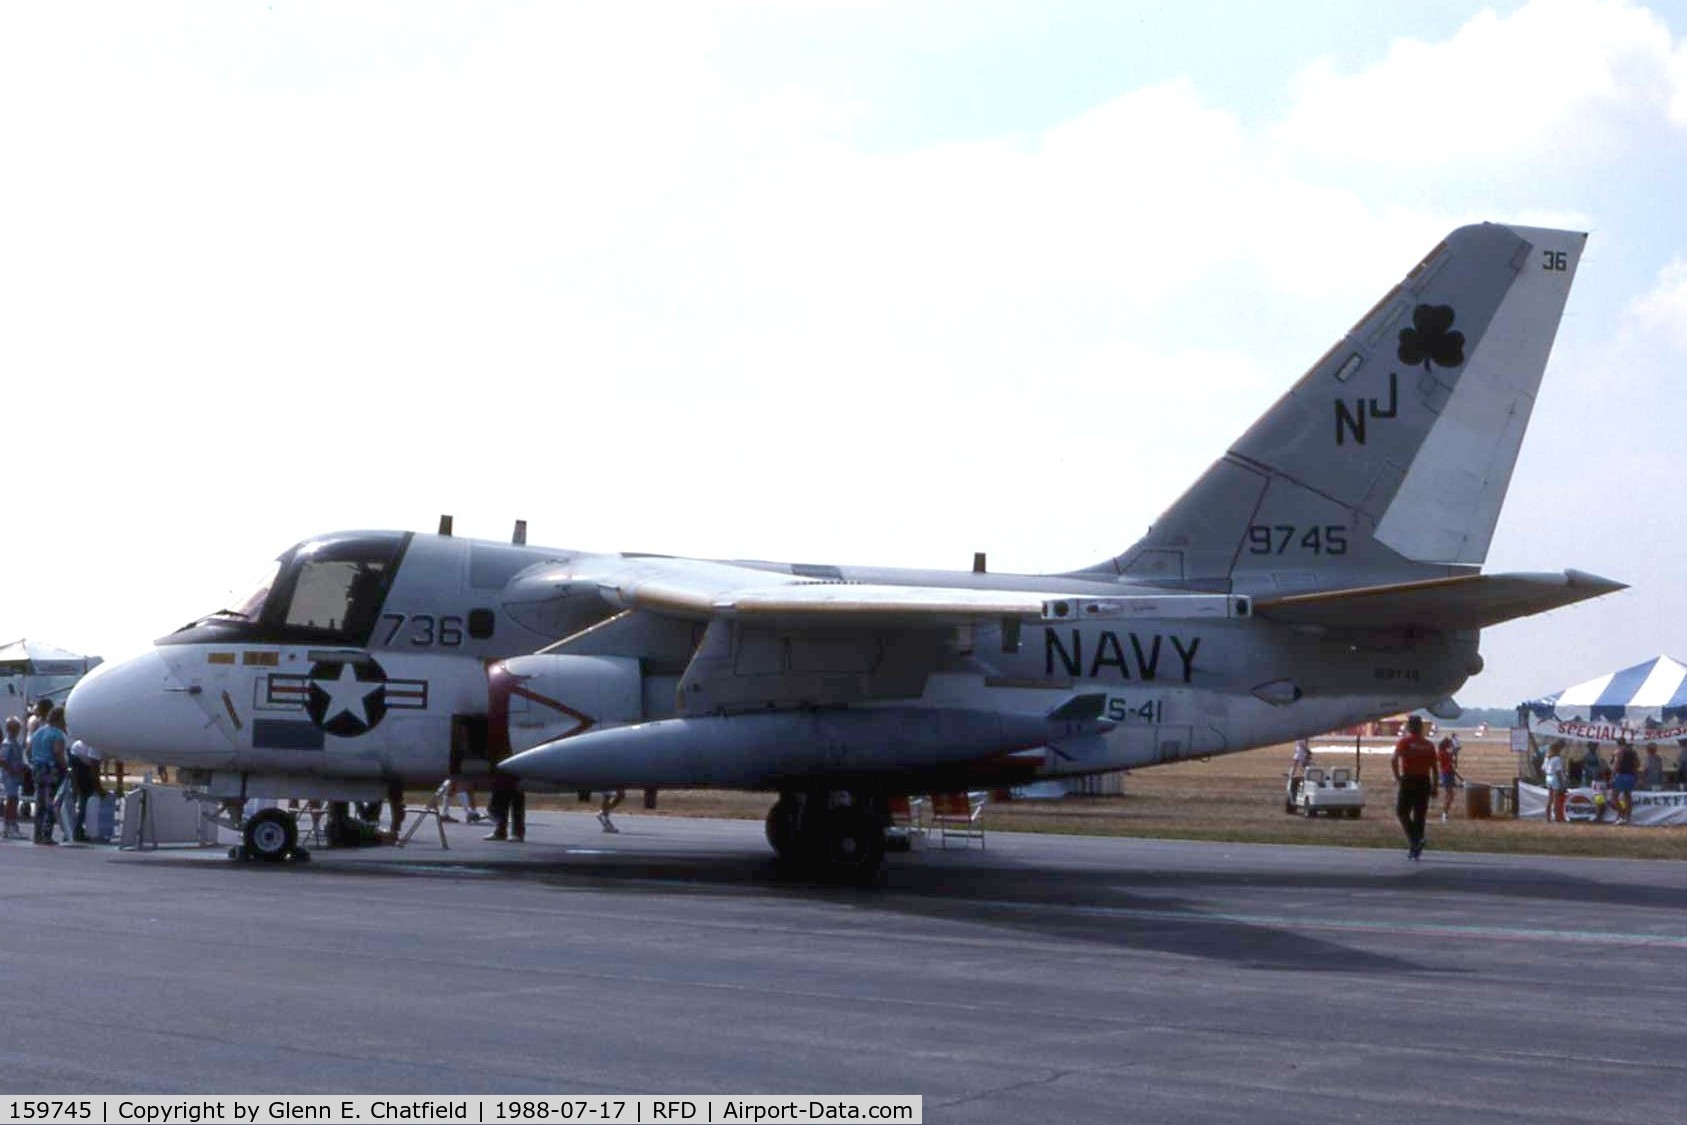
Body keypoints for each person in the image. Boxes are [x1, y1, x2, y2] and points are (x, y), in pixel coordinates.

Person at [1391, 715, 1438, 860]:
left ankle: (1415, 840)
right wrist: (1435, 786)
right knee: (1420, 815)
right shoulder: (1428, 745)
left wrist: (1398, 776)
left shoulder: (1404, 742)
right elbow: (1435, 768)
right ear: (1421, 727)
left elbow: (1394, 759)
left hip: (1409, 779)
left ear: (1409, 727)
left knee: (1402, 812)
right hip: (1424, 780)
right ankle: (1416, 845)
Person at [28, 706, 70, 845]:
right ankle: (46, 834)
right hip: (50, 768)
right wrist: (65, 768)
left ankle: (37, 833)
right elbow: (58, 752)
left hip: (37, 767)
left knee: (40, 801)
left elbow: (29, 749)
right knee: (50, 801)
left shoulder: (39, 732)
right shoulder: (57, 734)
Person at [67, 738, 105, 842]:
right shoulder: (98, 747)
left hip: (79, 756)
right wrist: (99, 788)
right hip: (78, 760)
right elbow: (94, 771)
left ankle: (76, 829)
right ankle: (78, 831)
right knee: (85, 795)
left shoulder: (102, 745)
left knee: (83, 795)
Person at [2, 716, 27, 839]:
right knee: (11, 800)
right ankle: (8, 826)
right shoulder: (8, 744)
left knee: (15, 800)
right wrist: (11, 770)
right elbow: (3, 760)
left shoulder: (15, 743)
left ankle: (12, 824)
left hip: (15, 775)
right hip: (10, 776)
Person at [484, 768, 525, 842]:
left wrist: (522, 780)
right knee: (499, 805)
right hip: (500, 777)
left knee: (517, 806)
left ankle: (517, 833)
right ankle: (500, 832)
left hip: (516, 776)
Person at [1610, 738, 1639, 825]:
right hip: (1630, 776)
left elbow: (1616, 764)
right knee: (1627, 797)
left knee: (1614, 797)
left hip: (1621, 775)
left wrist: (1612, 776)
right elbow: (1637, 764)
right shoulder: (1633, 752)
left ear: (1618, 743)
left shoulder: (1619, 751)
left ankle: (1621, 815)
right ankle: (1628, 818)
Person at [1436, 737, 1461, 823]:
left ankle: (1445, 813)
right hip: (1447, 774)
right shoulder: (1444, 754)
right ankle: (1444, 814)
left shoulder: (1442, 753)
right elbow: (1450, 765)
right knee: (1450, 795)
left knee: (1450, 795)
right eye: (1450, 744)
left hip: (1448, 774)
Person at [1543, 742, 1568, 822]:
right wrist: (1562, 783)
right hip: (1555, 778)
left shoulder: (1546, 758)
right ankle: (1557, 817)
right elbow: (1559, 772)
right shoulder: (1557, 759)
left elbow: (1543, 769)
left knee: (1550, 799)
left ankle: (1548, 817)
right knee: (1556, 799)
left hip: (1548, 776)